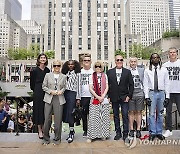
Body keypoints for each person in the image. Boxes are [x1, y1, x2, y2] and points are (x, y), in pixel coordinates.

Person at [107, 54, 134, 141]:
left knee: (125, 115)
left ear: (123, 61)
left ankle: (125, 133)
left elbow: (131, 85)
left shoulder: (127, 72)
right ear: (115, 61)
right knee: (116, 116)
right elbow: (107, 85)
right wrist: (109, 96)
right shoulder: (110, 72)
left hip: (124, 97)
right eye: (117, 60)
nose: (119, 61)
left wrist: (129, 96)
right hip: (114, 97)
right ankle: (118, 132)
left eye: (121, 60)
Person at [144, 53, 170, 141]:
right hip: (152, 93)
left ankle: (159, 132)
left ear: (159, 59)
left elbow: (167, 83)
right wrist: (146, 97)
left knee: (160, 113)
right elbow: (146, 84)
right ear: (151, 60)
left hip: (161, 93)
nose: (155, 59)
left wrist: (167, 97)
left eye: (157, 57)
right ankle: (152, 133)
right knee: (151, 114)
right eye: (153, 58)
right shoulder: (147, 70)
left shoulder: (164, 70)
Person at [42, 60, 67, 145]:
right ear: (53, 66)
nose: (56, 67)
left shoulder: (63, 76)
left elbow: (65, 87)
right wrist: (50, 91)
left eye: (58, 65)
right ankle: (46, 138)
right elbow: (44, 86)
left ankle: (57, 139)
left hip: (59, 99)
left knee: (58, 120)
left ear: (61, 66)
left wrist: (61, 91)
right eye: (55, 65)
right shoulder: (47, 75)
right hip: (49, 98)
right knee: (47, 120)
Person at [87, 61, 110, 143]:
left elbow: (107, 86)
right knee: (94, 118)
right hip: (95, 99)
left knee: (103, 117)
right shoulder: (91, 76)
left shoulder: (105, 75)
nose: (98, 68)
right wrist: (98, 97)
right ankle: (92, 136)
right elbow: (90, 88)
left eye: (99, 66)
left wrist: (103, 96)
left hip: (103, 99)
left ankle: (103, 135)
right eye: (96, 66)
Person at [30, 53, 50, 139]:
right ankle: (39, 130)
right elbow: (32, 85)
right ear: (38, 59)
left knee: (45, 110)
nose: (43, 59)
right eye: (41, 58)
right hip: (38, 91)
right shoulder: (34, 71)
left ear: (46, 60)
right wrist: (37, 90)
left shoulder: (48, 70)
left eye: (44, 58)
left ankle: (45, 129)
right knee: (38, 110)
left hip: (46, 91)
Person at [61, 60, 81, 143]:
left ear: (75, 65)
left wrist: (78, 98)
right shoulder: (64, 74)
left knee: (71, 113)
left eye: (72, 64)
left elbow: (79, 86)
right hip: (64, 93)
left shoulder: (77, 74)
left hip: (73, 93)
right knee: (65, 113)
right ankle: (70, 130)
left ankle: (71, 132)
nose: (70, 66)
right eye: (69, 64)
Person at [163, 47, 180, 138]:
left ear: (177, 53)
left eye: (174, 52)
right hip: (168, 92)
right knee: (168, 112)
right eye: (170, 52)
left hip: (179, 91)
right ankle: (169, 130)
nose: (172, 54)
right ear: (168, 54)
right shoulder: (165, 65)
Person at [128, 57, 145, 138]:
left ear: (137, 62)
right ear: (129, 63)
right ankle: (131, 129)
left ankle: (138, 129)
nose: (133, 63)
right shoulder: (127, 71)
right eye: (131, 62)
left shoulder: (141, 70)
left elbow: (145, 81)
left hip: (140, 92)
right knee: (131, 111)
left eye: (135, 61)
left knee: (139, 111)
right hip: (131, 93)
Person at [80, 54, 94, 137]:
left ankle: (93, 130)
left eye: (88, 60)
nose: (86, 62)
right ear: (82, 62)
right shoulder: (80, 72)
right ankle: (85, 130)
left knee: (93, 114)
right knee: (84, 114)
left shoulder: (94, 72)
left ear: (91, 62)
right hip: (83, 96)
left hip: (92, 96)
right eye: (85, 60)